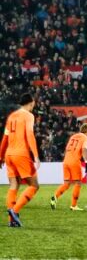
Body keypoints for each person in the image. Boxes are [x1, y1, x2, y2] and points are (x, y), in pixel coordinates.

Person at [2, 94, 40, 227]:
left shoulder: (11, 116)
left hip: (9, 155)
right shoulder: (28, 116)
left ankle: (11, 221)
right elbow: (30, 134)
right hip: (21, 154)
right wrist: (35, 155)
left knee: (14, 185)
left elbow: (5, 139)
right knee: (34, 185)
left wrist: (0, 157)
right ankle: (15, 210)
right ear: (31, 102)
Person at [51, 122, 87, 211]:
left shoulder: (73, 136)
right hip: (74, 161)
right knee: (78, 183)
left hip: (66, 161)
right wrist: (86, 162)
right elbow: (84, 149)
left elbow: (67, 149)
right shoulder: (86, 138)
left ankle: (55, 197)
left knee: (66, 183)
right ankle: (73, 206)